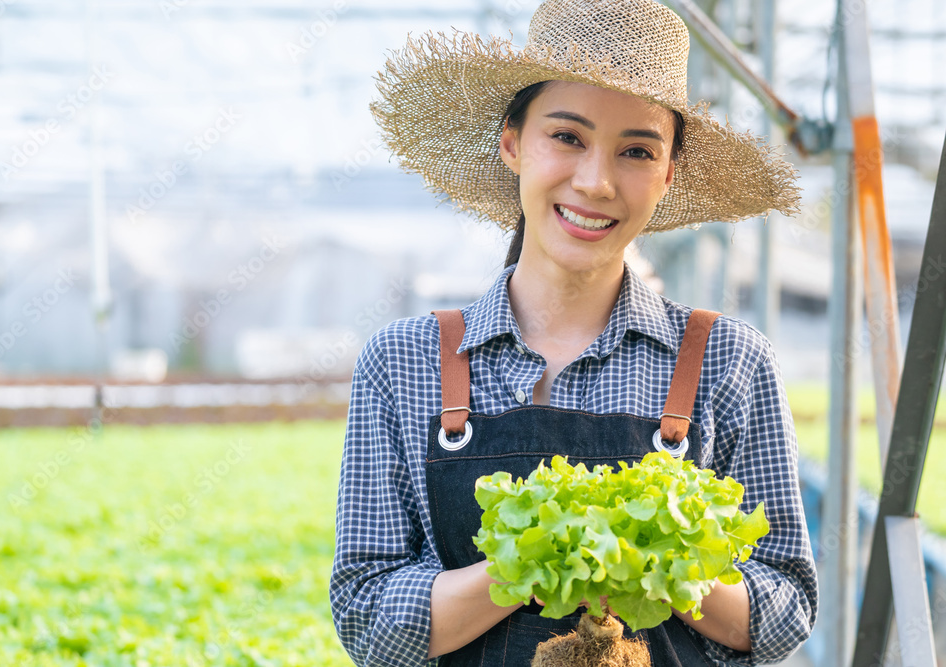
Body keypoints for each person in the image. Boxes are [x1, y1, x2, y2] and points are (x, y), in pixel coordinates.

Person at [329, 0, 818, 665]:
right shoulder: (405, 360)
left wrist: (650, 558)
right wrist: (539, 555)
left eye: (637, 151)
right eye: (566, 136)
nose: (596, 182)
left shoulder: (729, 362)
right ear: (512, 143)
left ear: (668, 172)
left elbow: (785, 606)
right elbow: (367, 616)